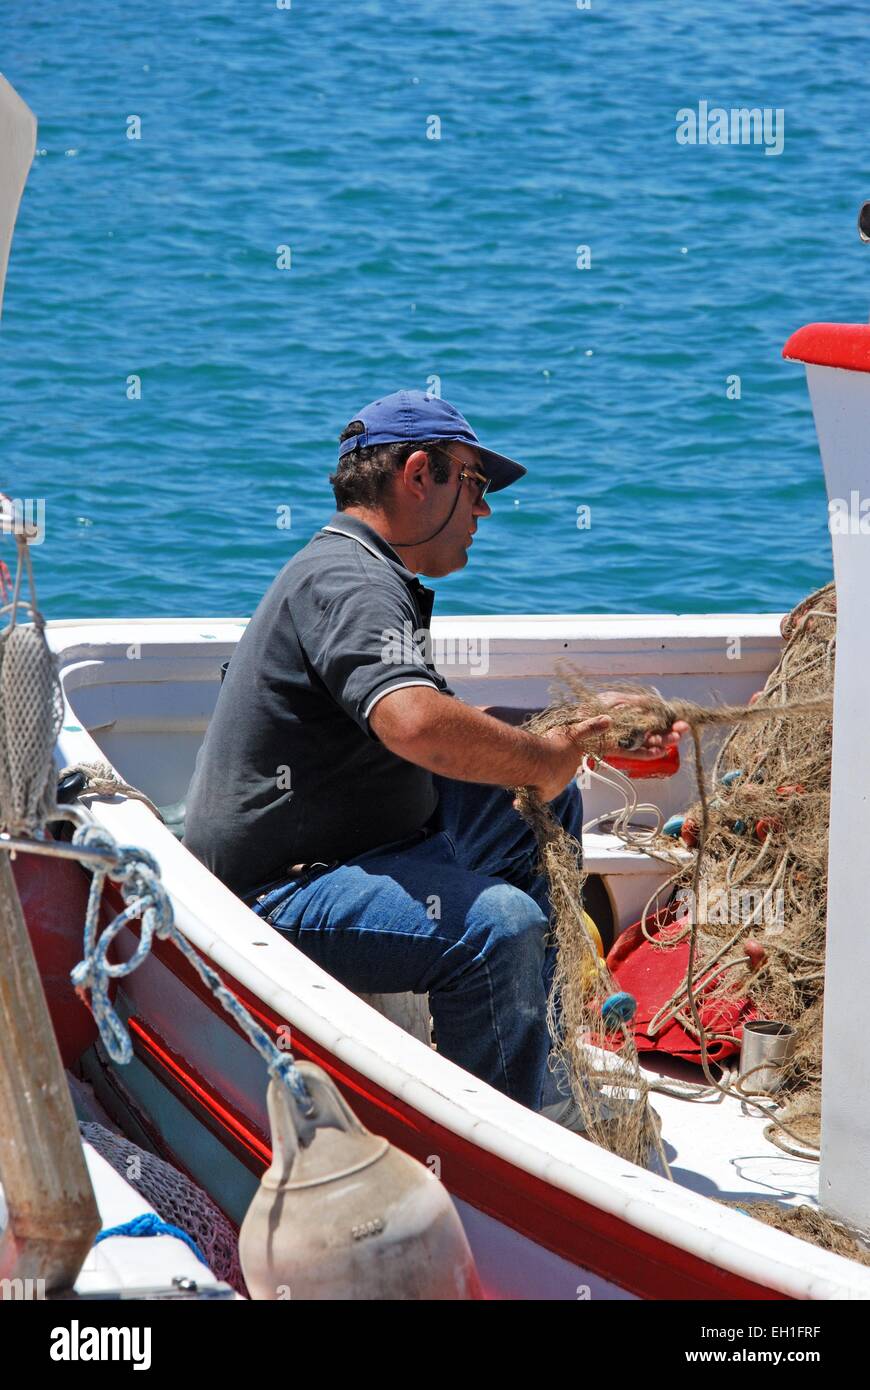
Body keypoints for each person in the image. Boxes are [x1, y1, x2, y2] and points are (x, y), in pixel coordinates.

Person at [183, 390, 686, 1121]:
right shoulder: (353, 583)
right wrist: (543, 757)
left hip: (347, 845)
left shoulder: (358, 569)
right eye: (475, 484)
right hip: (275, 894)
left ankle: (534, 1055)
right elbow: (415, 724)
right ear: (421, 474)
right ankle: (506, 1130)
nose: (483, 510)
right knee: (500, 926)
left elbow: (448, 724)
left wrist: (576, 733)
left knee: (536, 798)